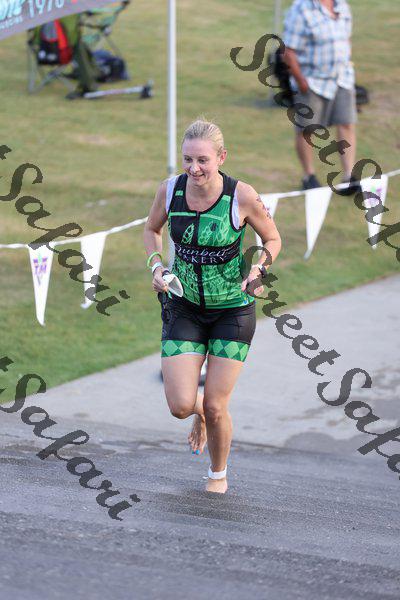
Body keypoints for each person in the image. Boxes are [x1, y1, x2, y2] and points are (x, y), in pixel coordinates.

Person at [143, 119, 281, 494]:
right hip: (183, 306)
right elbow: (151, 229)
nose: (194, 168)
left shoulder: (241, 196)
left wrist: (259, 267)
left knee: (218, 407)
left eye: (202, 160)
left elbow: (272, 238)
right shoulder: (170, 190)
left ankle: (217, 474)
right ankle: (199, 410)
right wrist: (156, 266)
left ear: (221, 157)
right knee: (180, 405)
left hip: (232, 311)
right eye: (188, 159)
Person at [282, 0, 359, 194]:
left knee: (347, 123)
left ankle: (349, 177)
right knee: (307, 130)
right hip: (312, 82)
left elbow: (347, 39)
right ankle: (309, 176)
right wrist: (301, 82)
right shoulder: (300, 9)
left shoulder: (342, 7)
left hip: (342, 79)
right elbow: (288, 52)